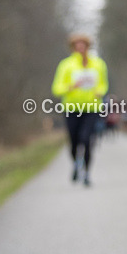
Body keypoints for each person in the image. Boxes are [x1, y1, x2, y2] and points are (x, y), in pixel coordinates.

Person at [51, 33, 109, 187]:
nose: (81, 48)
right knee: (74, 141)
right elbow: (56, 88)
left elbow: (104, 84)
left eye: (83, 45)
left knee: (87, 139)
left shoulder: (98, 64)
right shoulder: (66, 65)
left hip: (92, 108)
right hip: (71, 108)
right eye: (77, 46)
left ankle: (87, 173)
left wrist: (100, 91)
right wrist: (70, 87)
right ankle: (76, 164)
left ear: (88, 47)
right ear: (73, 47)